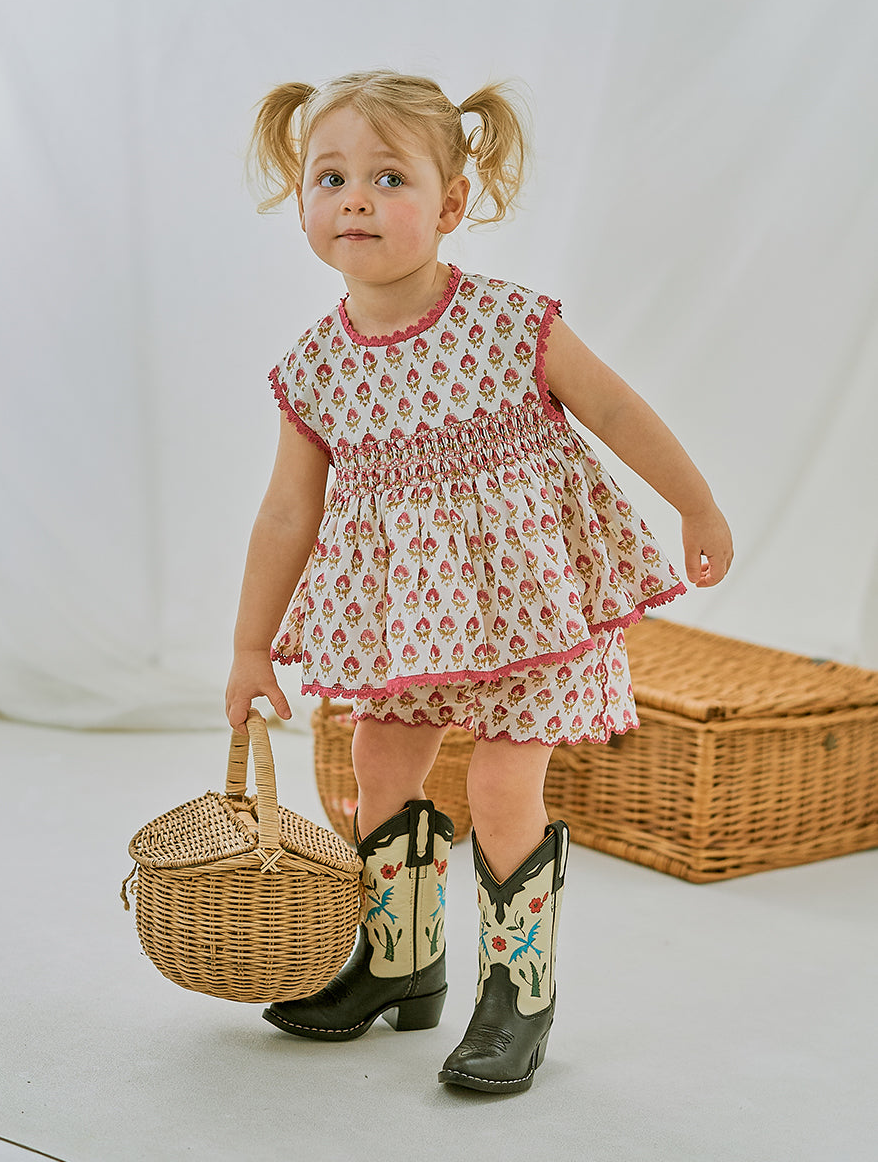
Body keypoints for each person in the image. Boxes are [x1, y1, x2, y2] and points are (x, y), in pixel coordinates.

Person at [225, 70, 733, 1094]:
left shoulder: (510, 323)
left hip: (531, 604)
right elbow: (287, 513)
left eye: (389, 178)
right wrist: (248, 646)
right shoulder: (317, 367)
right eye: (331, 177)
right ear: (302, 202)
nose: (356, 199)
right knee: (376, 764)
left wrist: (696, 505)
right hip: (409, 620)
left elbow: (617, 411)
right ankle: (401, 964)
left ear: (452, 205)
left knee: (502, 787)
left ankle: (518, 995)